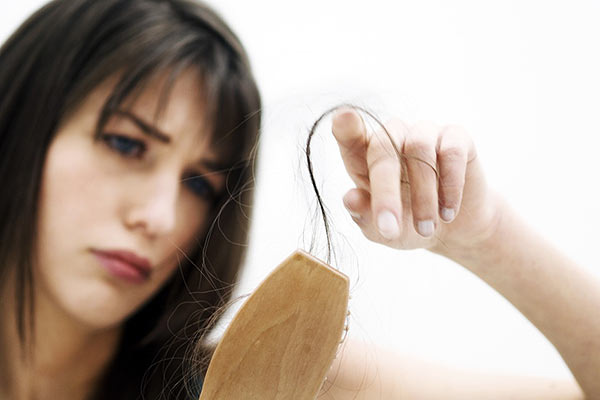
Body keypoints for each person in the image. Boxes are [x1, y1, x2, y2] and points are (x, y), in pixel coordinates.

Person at [0, 1, 597, 400]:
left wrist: (486, 238)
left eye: (200, 184)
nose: (158, 217)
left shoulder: (270, 379)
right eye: (126, 144)